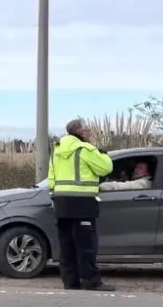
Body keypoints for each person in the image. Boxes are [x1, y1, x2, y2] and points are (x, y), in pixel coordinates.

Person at [46, 118, 116, 291]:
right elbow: (106, 168)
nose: (90, 132)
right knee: (86, 245)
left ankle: (70, 282)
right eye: (88, 130)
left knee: (66, 245)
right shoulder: (84, 149)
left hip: (62, 203)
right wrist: (102, 153)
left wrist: (54, 196)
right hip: (82, 203)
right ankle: (91, 281)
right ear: (81, 132)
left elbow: (51, 177)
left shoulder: (57, 150)